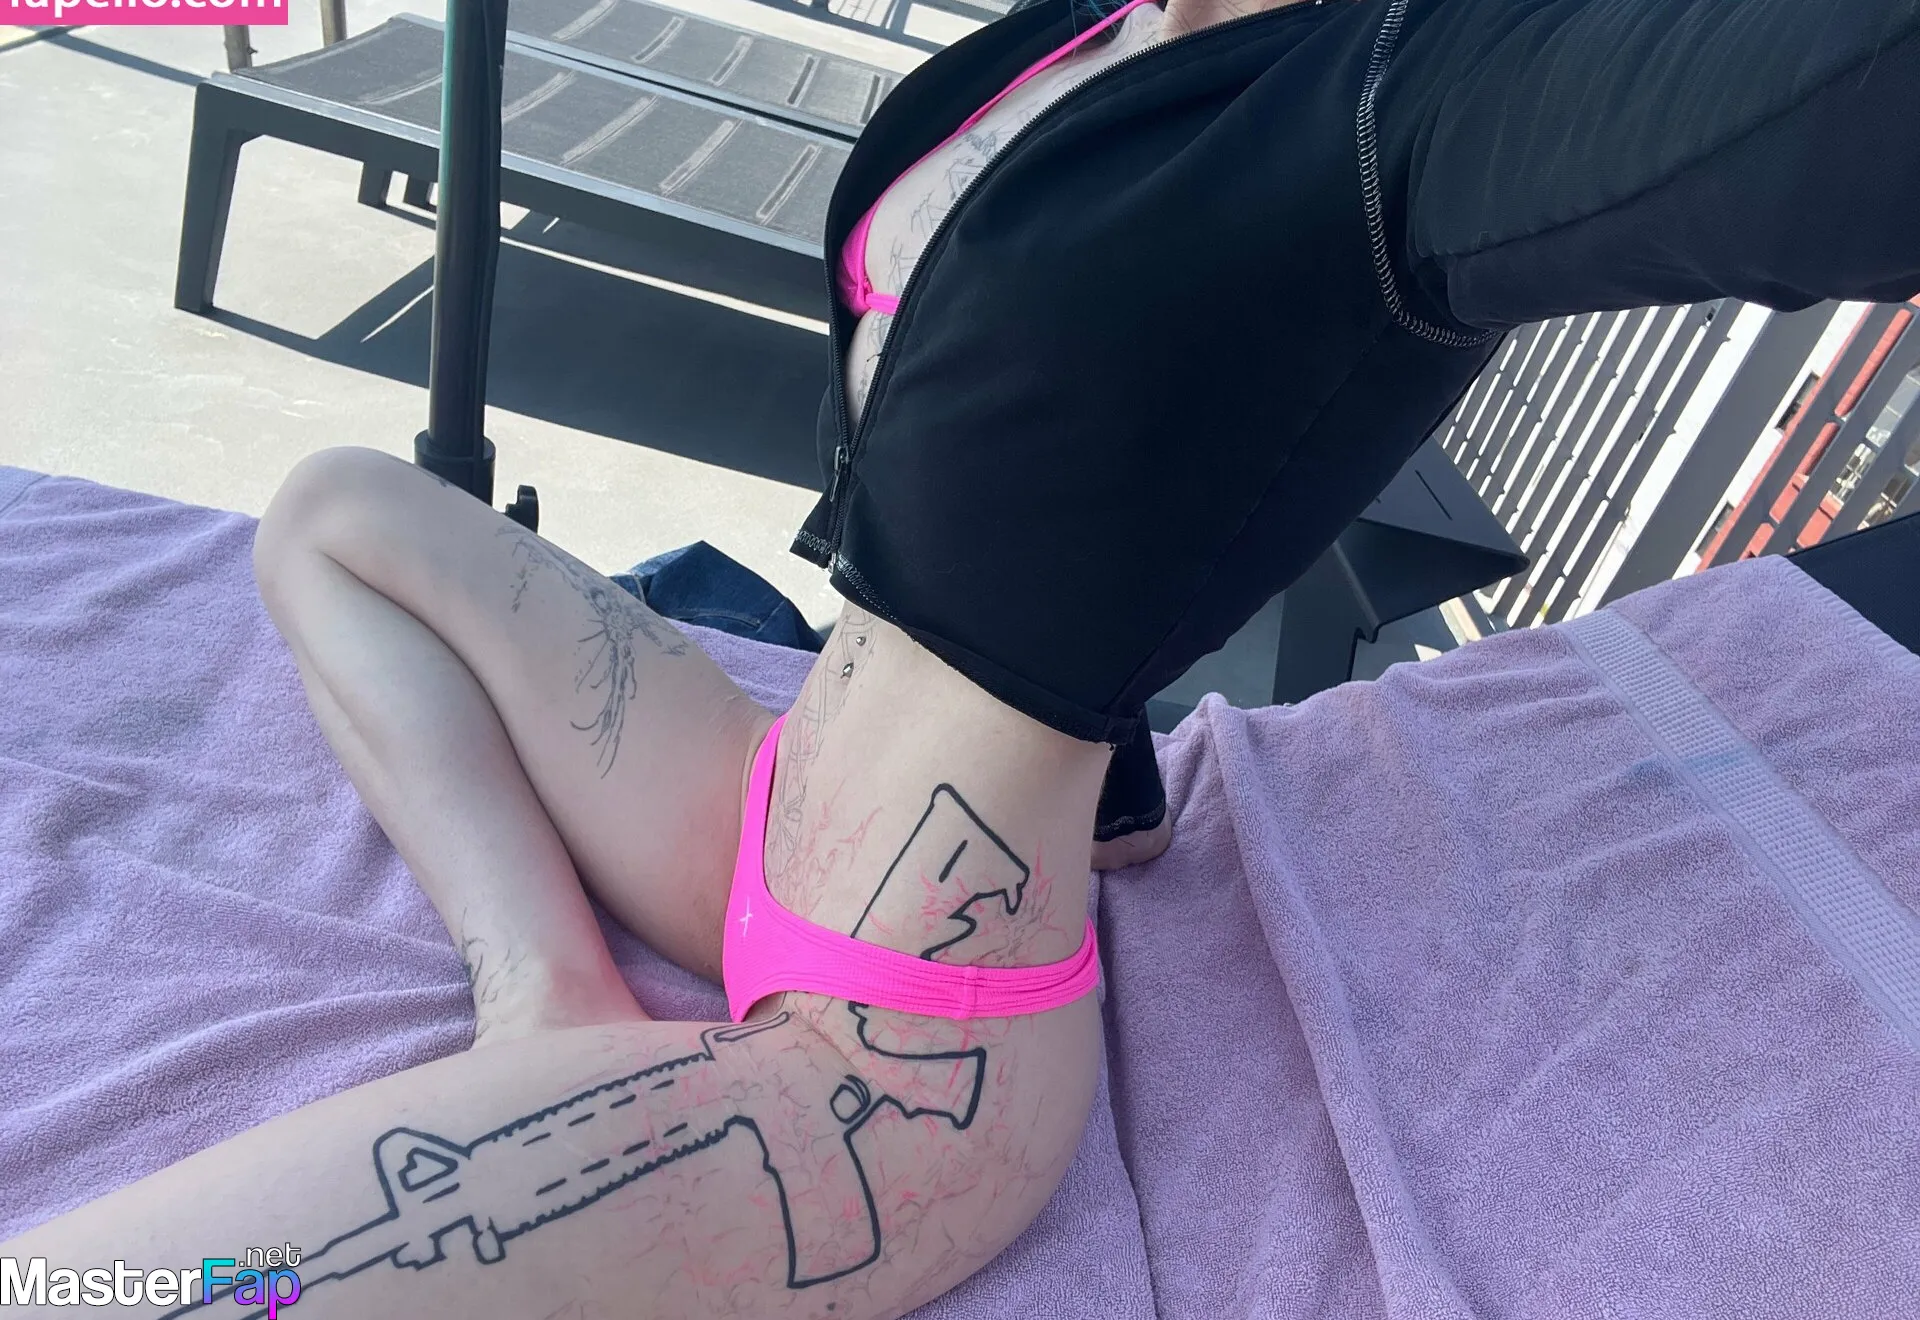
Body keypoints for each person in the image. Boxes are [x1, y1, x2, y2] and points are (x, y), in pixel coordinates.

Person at [7, 0, 1917, 1315]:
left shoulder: (1415, 100)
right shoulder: (1092, 34)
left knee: (87, 1291)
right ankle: (552, 992)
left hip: (907, 1043)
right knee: (340, 509)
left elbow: (1826, 108)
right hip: (761, 802)